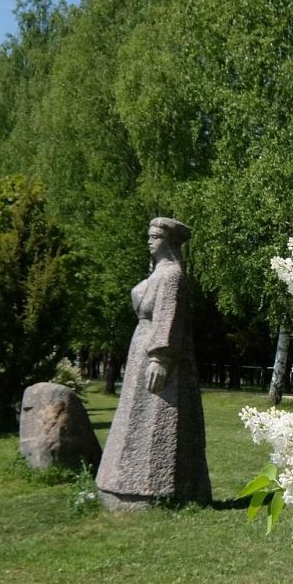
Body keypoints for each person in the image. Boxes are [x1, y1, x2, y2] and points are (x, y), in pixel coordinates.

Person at [96, 217, 211, 510]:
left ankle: (157, 489)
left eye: (155, 237)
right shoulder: (159, 274)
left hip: (158, 359)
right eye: (149, 236)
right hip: (141, 355)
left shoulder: (171, 276)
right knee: (136, 415)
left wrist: (160, 358)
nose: (149, 241)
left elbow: (168, 320)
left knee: (157, 418)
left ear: (169, 242)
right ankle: (124, 482)